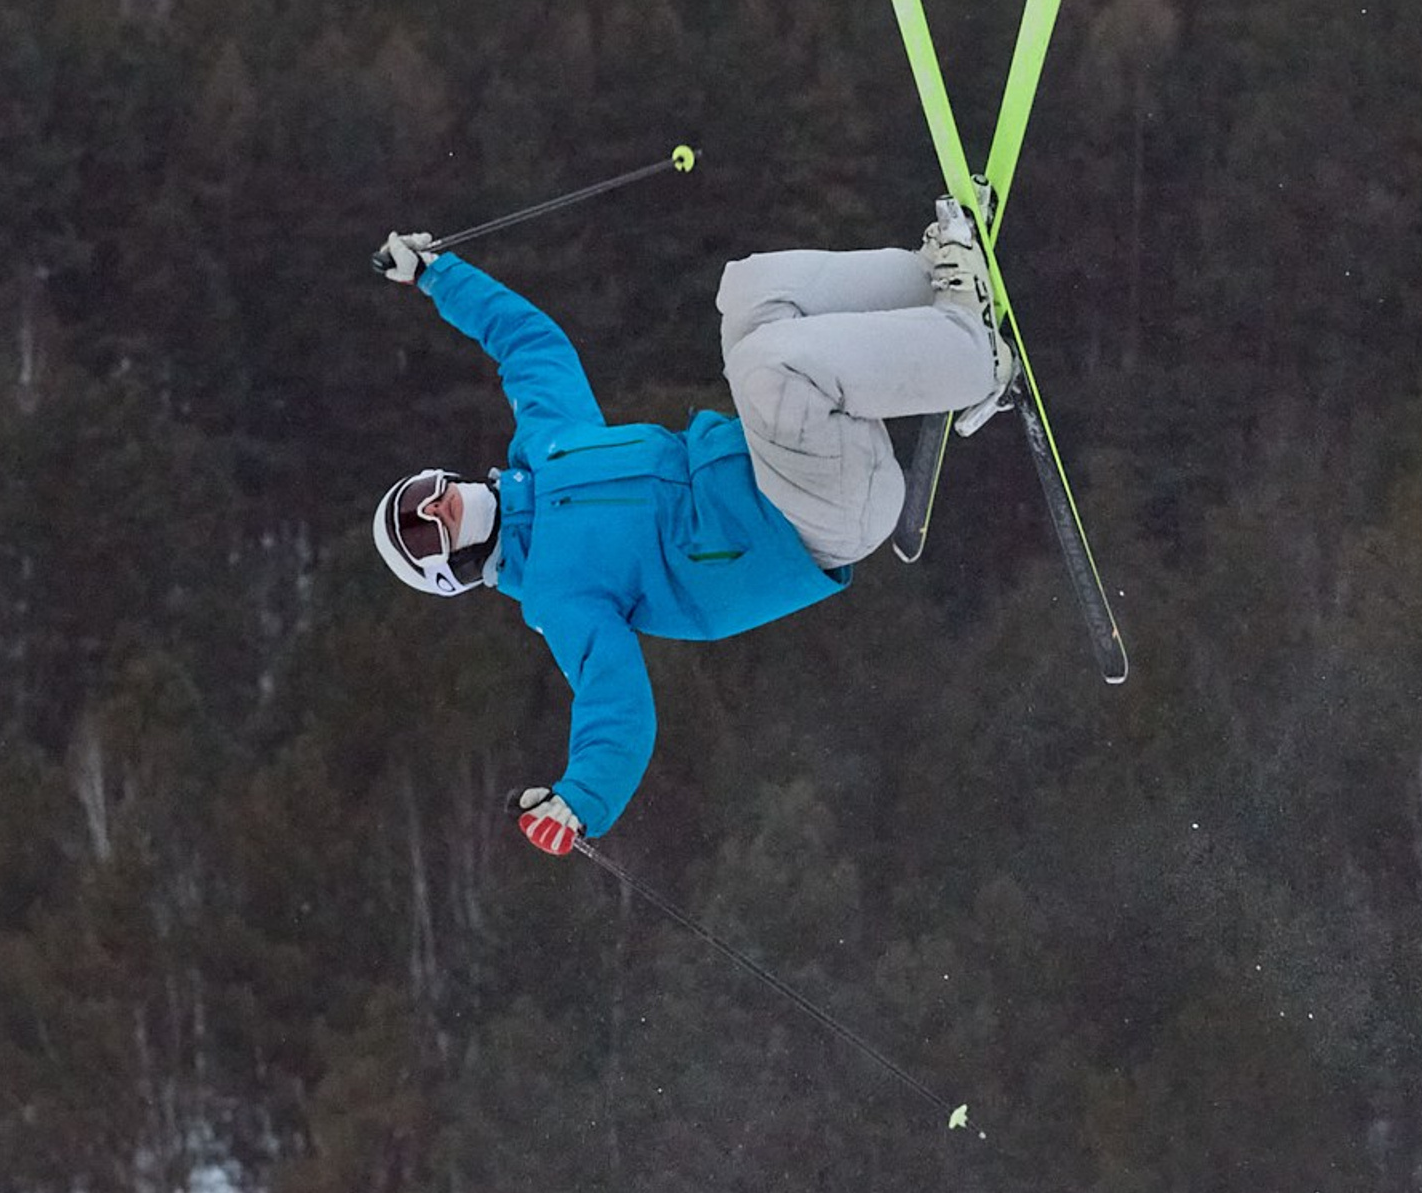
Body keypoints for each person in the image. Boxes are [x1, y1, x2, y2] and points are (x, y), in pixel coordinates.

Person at [371, 207, 1015, 853]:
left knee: (749, 293)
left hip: (791, 456)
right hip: (814, 517)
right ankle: (976, 359)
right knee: (767, 367)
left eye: (423, 495)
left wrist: (436, 275)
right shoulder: (557, 596)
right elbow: (616, 708)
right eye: (422, 535)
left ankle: (941, 284)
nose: (435, 511)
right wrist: (579, 800)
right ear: (449, 572)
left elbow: (530, 346)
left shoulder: (548, 447)